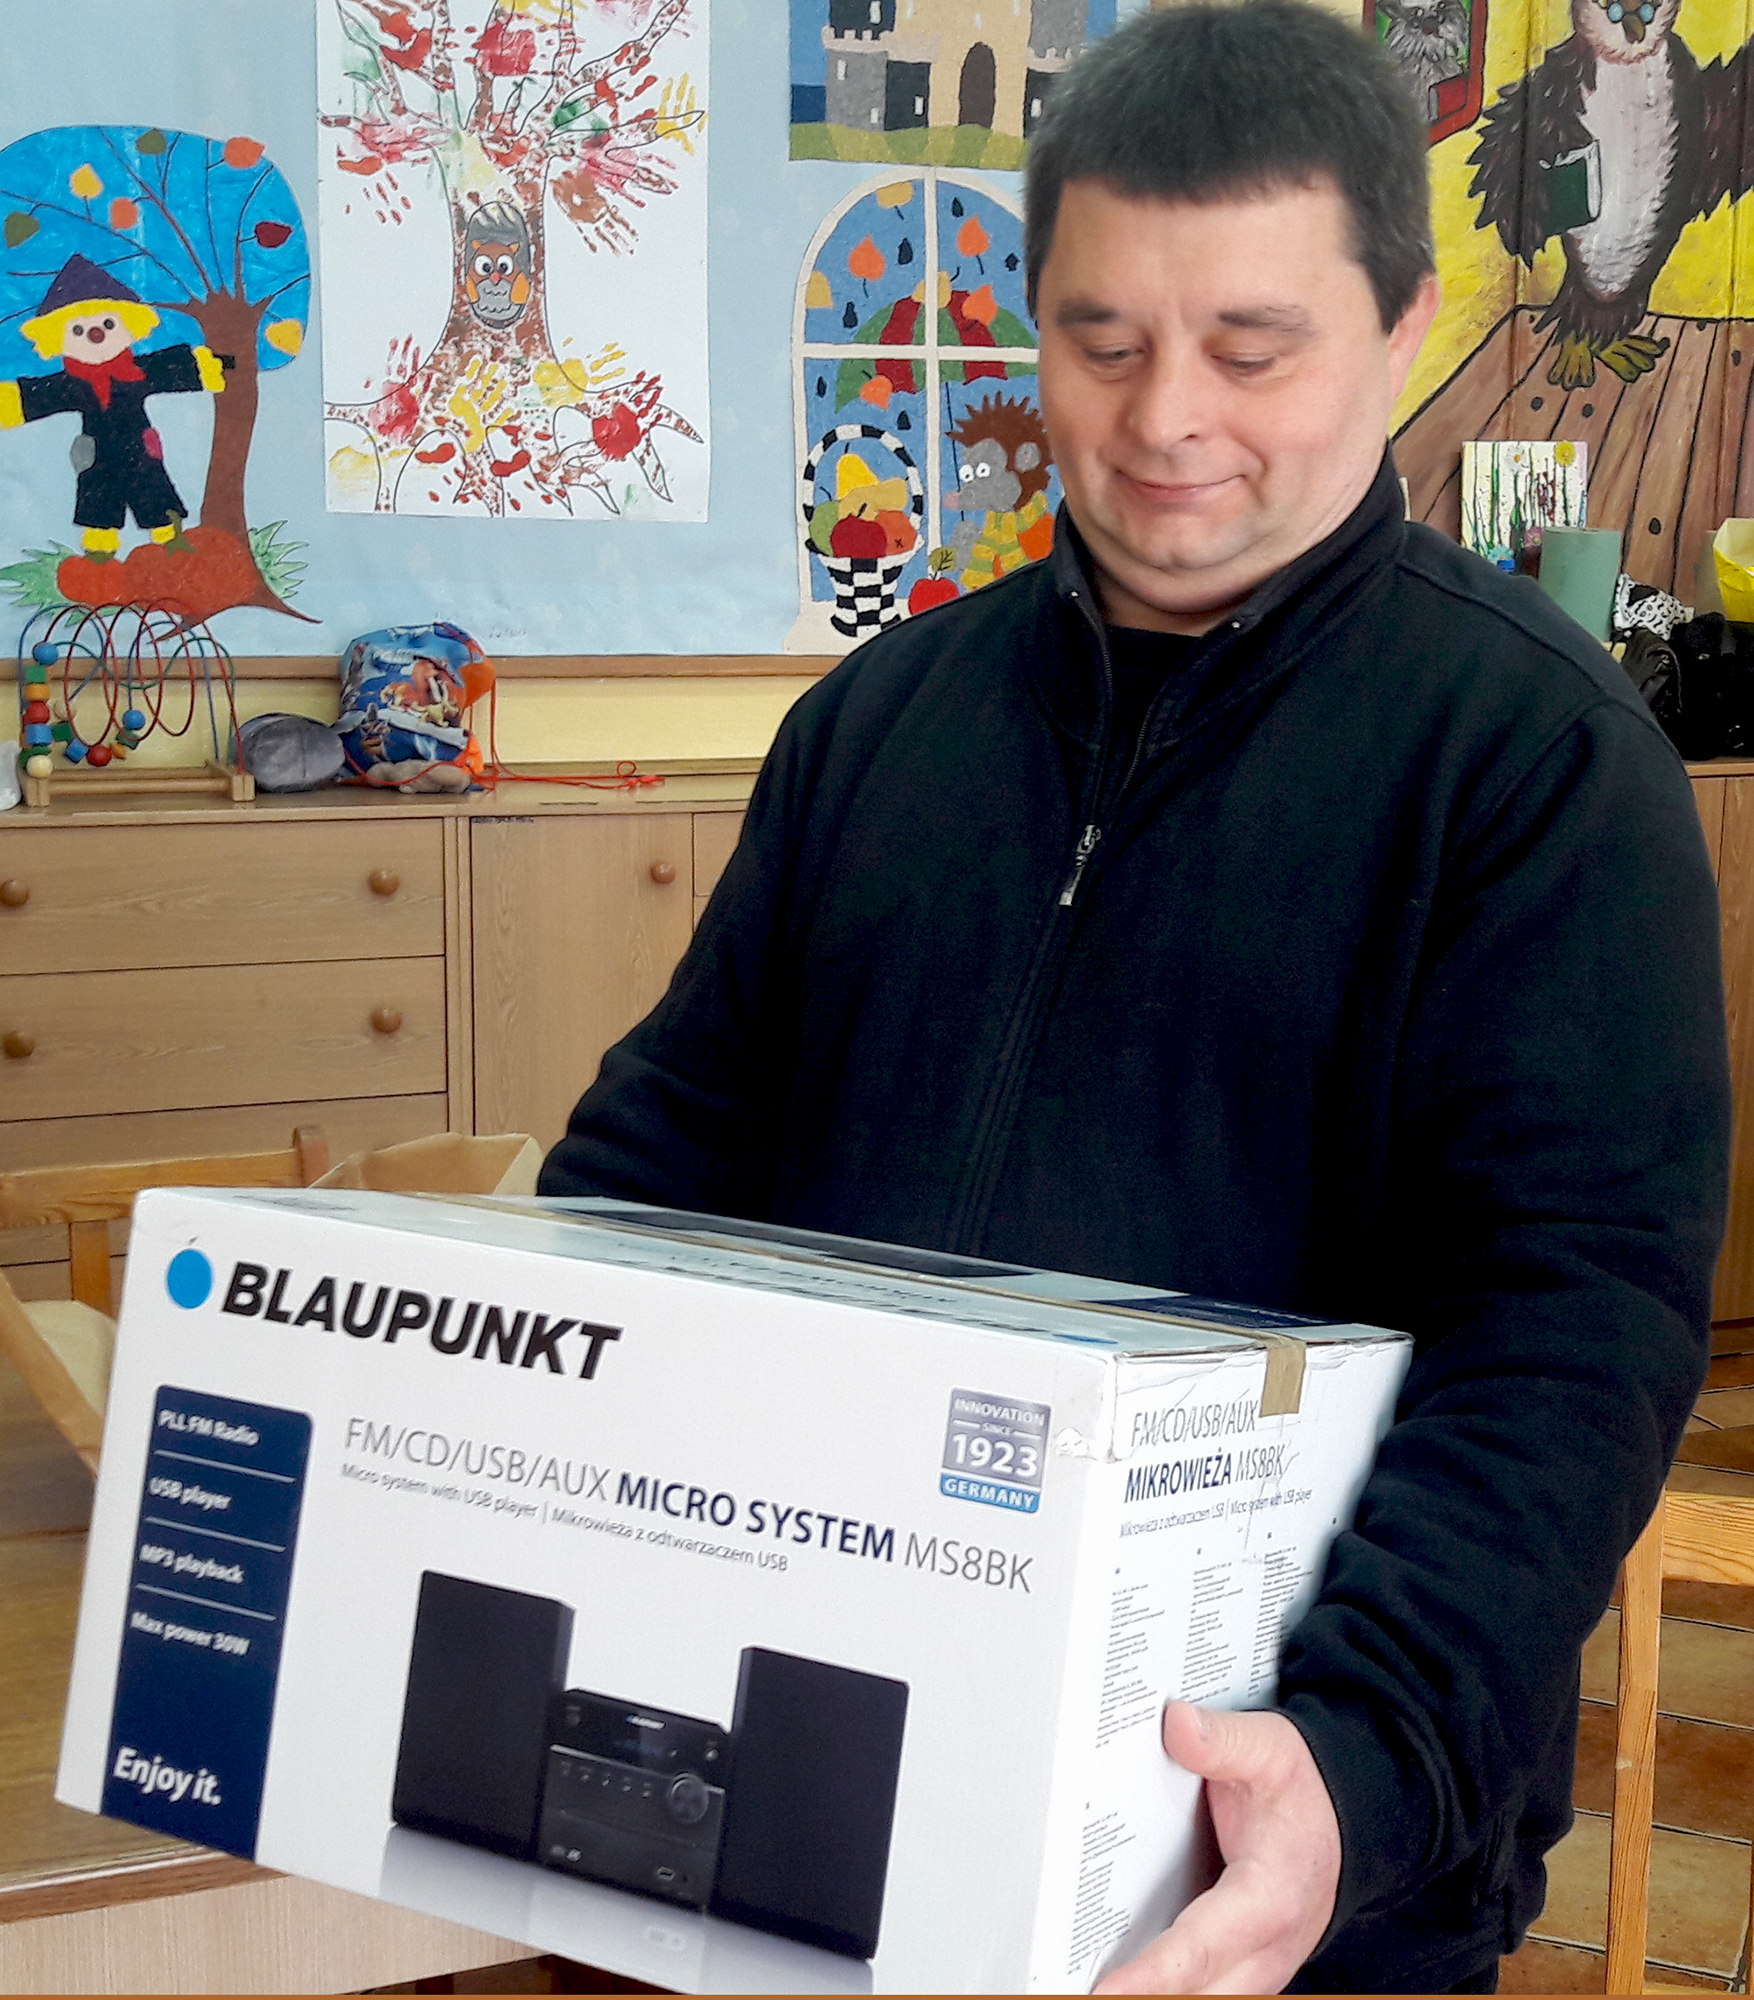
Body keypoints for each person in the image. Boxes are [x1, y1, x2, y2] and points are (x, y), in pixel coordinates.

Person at [540, 3, 1730, 1989]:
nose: (1165, 419)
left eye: (1250, 348)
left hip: (1266, 1855)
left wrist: (1359, 1761)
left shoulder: (1535, 765)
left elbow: (1566, 1340)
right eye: (1100, 342)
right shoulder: (874, 725)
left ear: (1405, 323)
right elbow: (657, 1165)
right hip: (818, 1765)